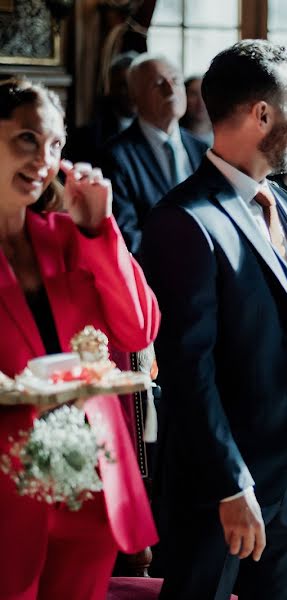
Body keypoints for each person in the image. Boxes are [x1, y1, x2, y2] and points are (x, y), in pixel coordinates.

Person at [140, 40, 287, 600]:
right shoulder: (184, 221)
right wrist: (230, 486)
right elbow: (186, 368)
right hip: (218, 483)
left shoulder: (280, 201)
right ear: (263, 115)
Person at [0, 78, 159, 600]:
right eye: (27, 138)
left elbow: (138, 330)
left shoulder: (70, 236)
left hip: (89, 482)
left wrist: (100, 229)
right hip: (7, 486)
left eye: (54, 145)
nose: (43, 159)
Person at [102, 53, 208, 254]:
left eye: (175, 81)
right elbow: (125, 235)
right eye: (158, 83)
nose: (170, 90)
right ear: (135, 96)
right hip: (153, 275)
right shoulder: (116, 156)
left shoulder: (202, 150)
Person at [63, 51, 138, 165]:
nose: (129, 92)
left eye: (133, 85)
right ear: (111, 88)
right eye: (122, 85)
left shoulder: (152, 127)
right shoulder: (88, 136)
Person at [180, 75, 214, 145]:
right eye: (193, 94)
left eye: (205, 94)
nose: (200, 101)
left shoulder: (229, 135)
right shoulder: (175, 137)